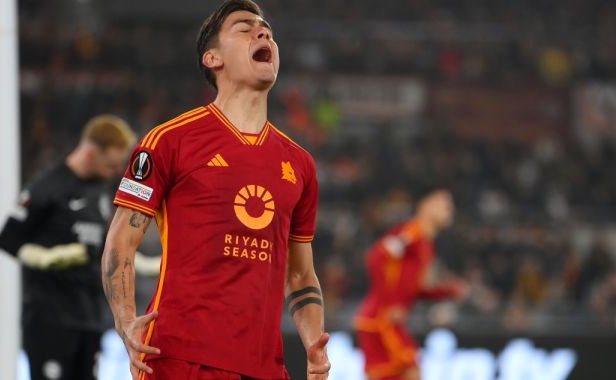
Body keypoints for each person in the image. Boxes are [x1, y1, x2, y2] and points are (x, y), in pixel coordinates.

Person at [101, 1, 330, 379]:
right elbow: (121, 243)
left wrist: (311, 342)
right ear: (212, 58)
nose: (264, 33)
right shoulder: (169, 141)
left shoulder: (301, 164)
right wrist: (125, 320)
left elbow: (301, 276)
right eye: (244, 27)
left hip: (265, 367)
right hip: (178, 359)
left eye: (267, 29)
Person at [0, 115, 136, 380]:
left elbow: (105, 247)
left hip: (91, 318)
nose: (116, 171)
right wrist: (45, 257)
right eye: (112, 163)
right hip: (49, 320)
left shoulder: (103, 191)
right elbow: (8, 239)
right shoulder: (46, 188)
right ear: (92, 152)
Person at [355, 190, 467, 380]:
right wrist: (390, 303)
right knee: (411, 370)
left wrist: (446, 291)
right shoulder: (411, 233)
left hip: (382, 320)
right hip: (381, 320)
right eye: (443, 203)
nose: (450, 210)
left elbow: (411, 289)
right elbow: (375, 258)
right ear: (425, 205)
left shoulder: (425, 244)